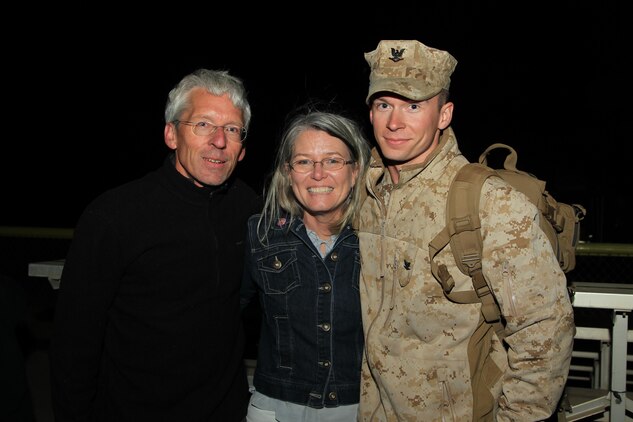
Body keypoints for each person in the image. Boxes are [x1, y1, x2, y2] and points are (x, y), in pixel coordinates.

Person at [356, 40, 575, 421]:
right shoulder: (370, 195)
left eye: (414, 105)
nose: (394, 122)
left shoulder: (489, 202)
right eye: (384, 104)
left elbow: (544, 330)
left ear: (444, 114)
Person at [49, 68, 262, 422]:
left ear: (242, 149)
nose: (219, 141)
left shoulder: (248, 208)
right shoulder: (114, 216)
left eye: (232, 129)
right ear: (171, 134)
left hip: (224, 410)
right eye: (204, 125)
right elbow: (74, 343)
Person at [240, 110, 371, 422]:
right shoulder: (260, 234)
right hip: (275, 407)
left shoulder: (378, 241)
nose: (317, 173)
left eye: (332, 160)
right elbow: (220, 317)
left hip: (357, 409)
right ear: (288, 172)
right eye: (303, 162)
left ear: (354, 171)